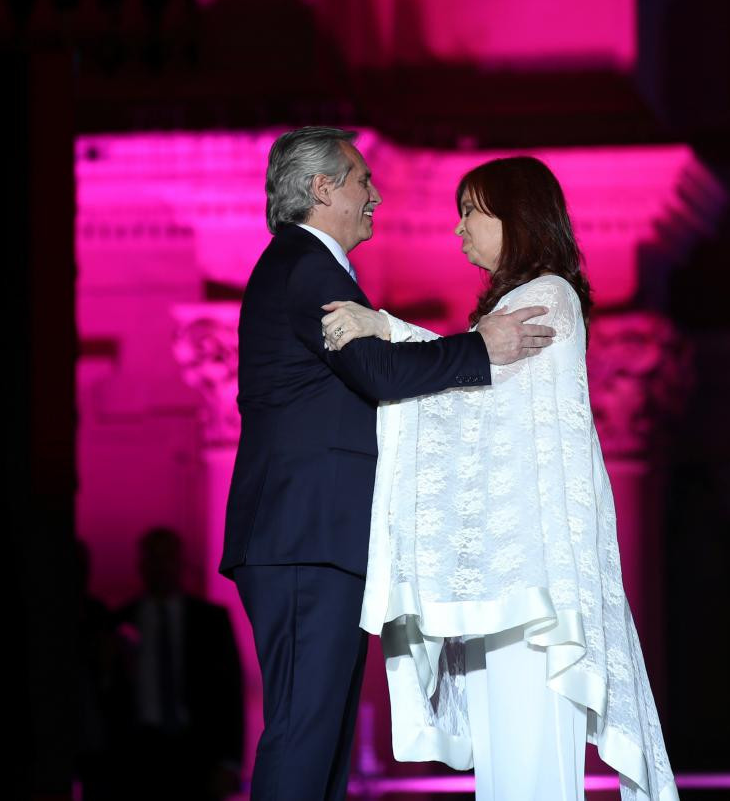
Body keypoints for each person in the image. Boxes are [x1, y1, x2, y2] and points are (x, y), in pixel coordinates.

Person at [323, 156, 679, 801]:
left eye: (470, 212)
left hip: (533, 584)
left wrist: (385, 331)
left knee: (528, 768)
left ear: (516, 218)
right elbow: (471, 394)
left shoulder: (545, 298)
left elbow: (474, 402)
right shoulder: (521, 301)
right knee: (508, 770)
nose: (458, 230)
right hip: (507, 581)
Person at [223, 127, 556, 801]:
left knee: (325, 737)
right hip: (302, 536)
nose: (375, 195)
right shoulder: (303, 263)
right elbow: (375, 370)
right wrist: (479, 347)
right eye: (361, 180)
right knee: (303, 728)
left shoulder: (309, 266)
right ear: (322, 189)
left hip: (320, 537)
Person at [113, 527, 244, 801]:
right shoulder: (121, 621)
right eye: (154, 558)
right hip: (137, 754)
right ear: (143, 564)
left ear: (180, 563)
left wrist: (230, 761)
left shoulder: (211, 621)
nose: (161, 567)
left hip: (197, 754)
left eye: (167, 558)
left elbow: (231, 693)